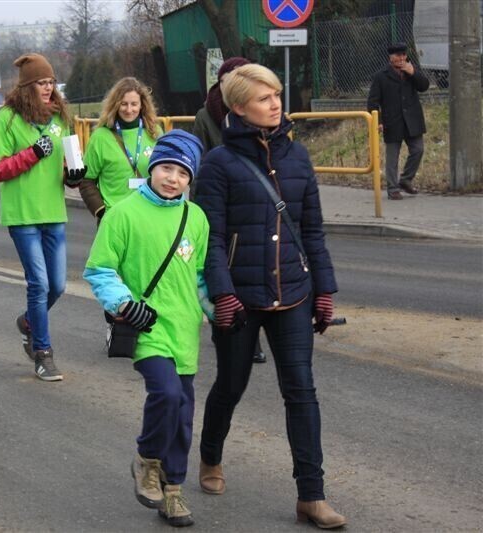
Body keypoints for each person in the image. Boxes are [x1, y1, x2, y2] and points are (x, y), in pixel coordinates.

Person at [194, 65, 347, 529]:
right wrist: (222, 294)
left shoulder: (299, 157)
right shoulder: (218, 163)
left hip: (294, 295)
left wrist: (324, 290)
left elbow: (312, 231)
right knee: (231, 384)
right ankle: (210, 456)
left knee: (301, 391)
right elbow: (212, 239)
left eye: (277, 95)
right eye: (263, 98)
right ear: (239, 107)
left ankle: (311, 496)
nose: (275, 103)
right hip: (240, 299)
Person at [84, 130, 209, 528]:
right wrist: (124, 304)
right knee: (167, 394)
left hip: (185, 328)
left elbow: (203, 275)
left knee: (184, 414)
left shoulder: (196, 218)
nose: (173, 178)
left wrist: (220, 312)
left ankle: (173, 491)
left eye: (182, 173)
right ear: (152, 168)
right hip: (147, 328)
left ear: (191, 179)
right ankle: (147, 460)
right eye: (166, 168)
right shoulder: (123, 213)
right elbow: (100, 269)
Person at [0, 53, 84, 382]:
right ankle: (43, 354)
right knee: (39, 284)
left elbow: (70, 166)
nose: (48, 88)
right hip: (23, 215)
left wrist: (75, 174)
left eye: (51, 82)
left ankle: (29, 321)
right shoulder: (8, 119)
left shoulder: (61, 119)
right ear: (28, 86)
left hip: (54, 212)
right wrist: (33, 153)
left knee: (57, 285)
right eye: (42, 83)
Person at [192, 56, 267, 365]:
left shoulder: (256, 113)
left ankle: (252, 338)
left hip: (250, 203)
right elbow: (197, 162)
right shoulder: (206, 116)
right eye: (228, 80)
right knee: (221, 268)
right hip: (217, 202)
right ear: (220, 83)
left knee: (251, 271)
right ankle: (221, 324)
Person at [79, 77, 163, 223]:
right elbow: (86, 181)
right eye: (123, 104)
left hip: (150, 217)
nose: (129, 110)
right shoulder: (100, 137)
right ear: (115, 105)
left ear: (142, 105)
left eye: (134, 104)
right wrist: (102, 213)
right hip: (114, 219)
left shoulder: (155, 133)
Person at [367, 42, 429, 200]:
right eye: (398, 55)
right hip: (392, 120)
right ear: (391, 57)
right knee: (392, 157)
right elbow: (373, 101)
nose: (401, 58)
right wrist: (378, 120)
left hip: (412, 120)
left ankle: (406, 180)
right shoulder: (381, 76)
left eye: (403, 55)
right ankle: (393, 188)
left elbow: (424, 86)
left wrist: (413, 72)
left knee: (418, 150)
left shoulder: (411, 71)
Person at [192, 57, 251, 153]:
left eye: (234, 81)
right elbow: (199, 158)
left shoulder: (261, 113)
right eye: (222, 81)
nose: (227, 86)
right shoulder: (205, 116)